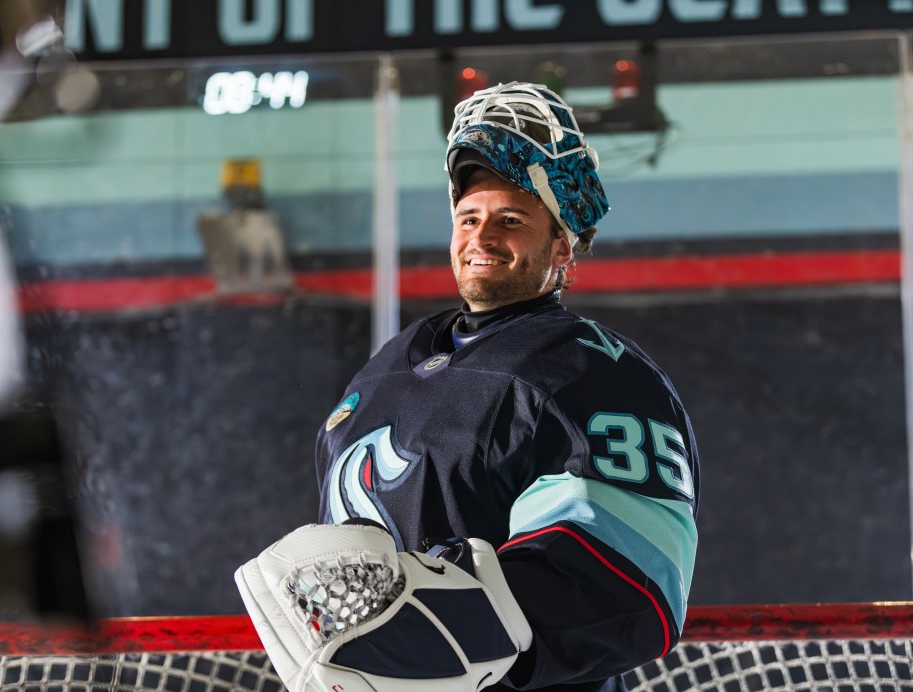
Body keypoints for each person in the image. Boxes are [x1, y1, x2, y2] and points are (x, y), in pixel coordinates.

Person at [238, 82, 699, 692]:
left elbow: (629, 584)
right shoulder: (390, 365)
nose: (481, 238)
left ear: (560, 244)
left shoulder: (593, 373)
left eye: (510, 220)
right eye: (468, 218)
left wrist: (433, 644)